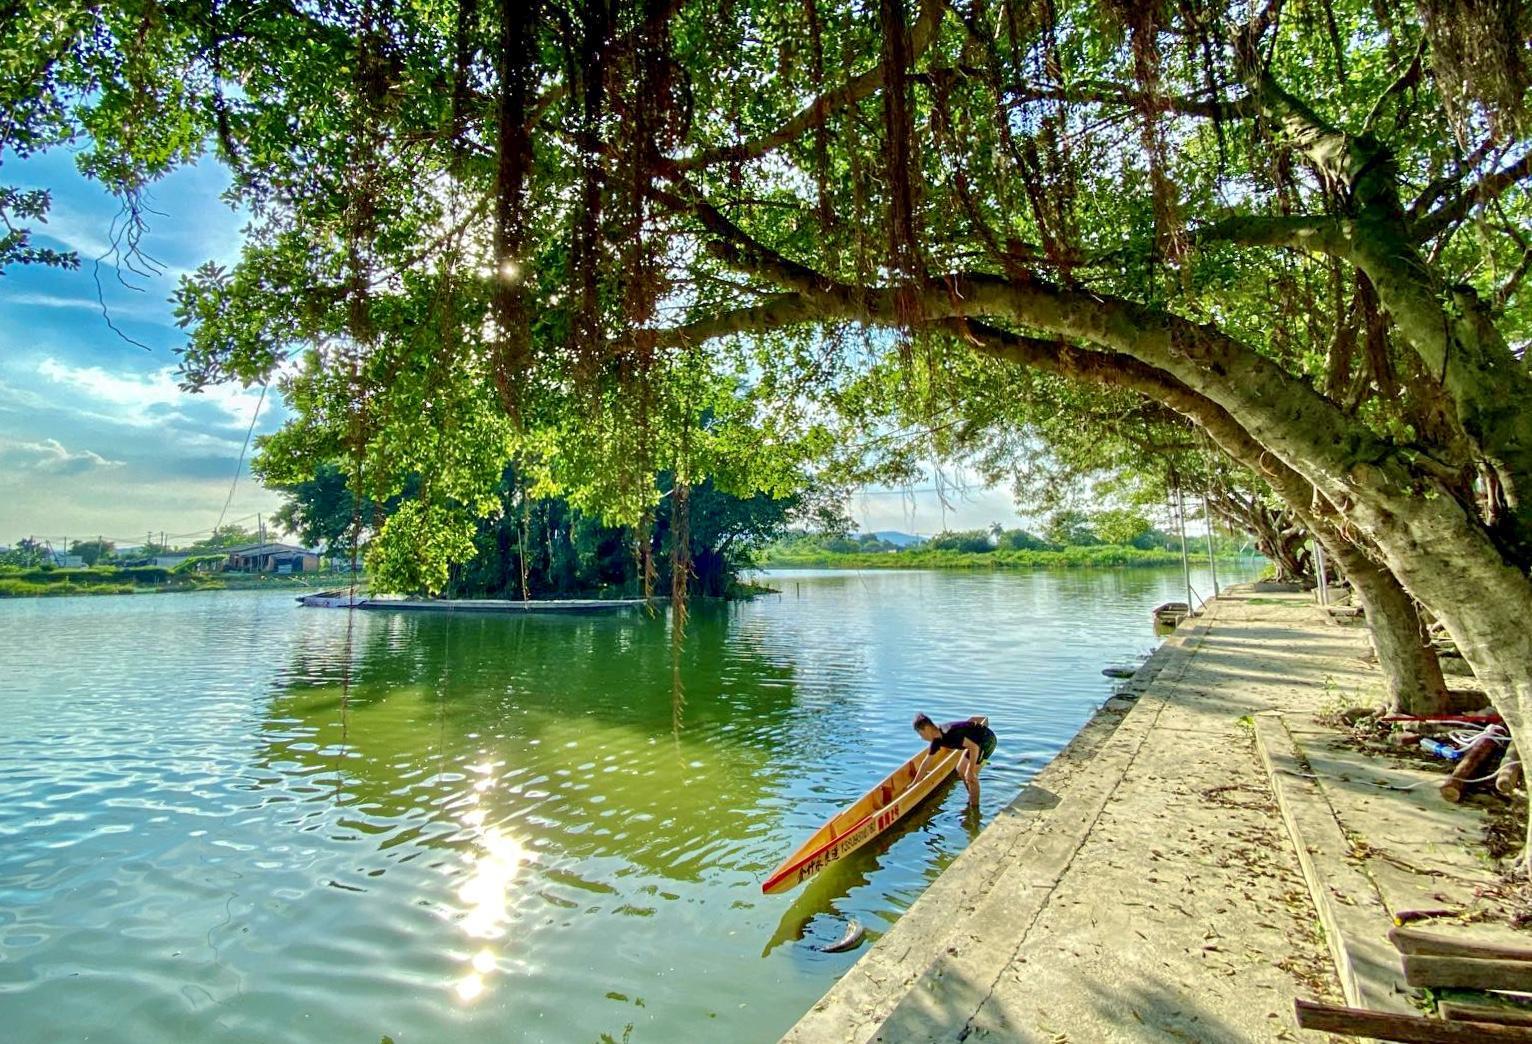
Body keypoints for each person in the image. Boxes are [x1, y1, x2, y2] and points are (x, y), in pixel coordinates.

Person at [913, 713, 997, 807]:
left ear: (927, 729)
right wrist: (914, 783)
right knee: (960, 769)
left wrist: (970, 770)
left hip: (986, 741)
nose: (921, 738)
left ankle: (975, 807)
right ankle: (972, 797)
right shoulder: (936, 739)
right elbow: (926, 761)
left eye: (921, 734)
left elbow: (974, 748)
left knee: (970, 776)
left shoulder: (950, 733)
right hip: (974, 743)